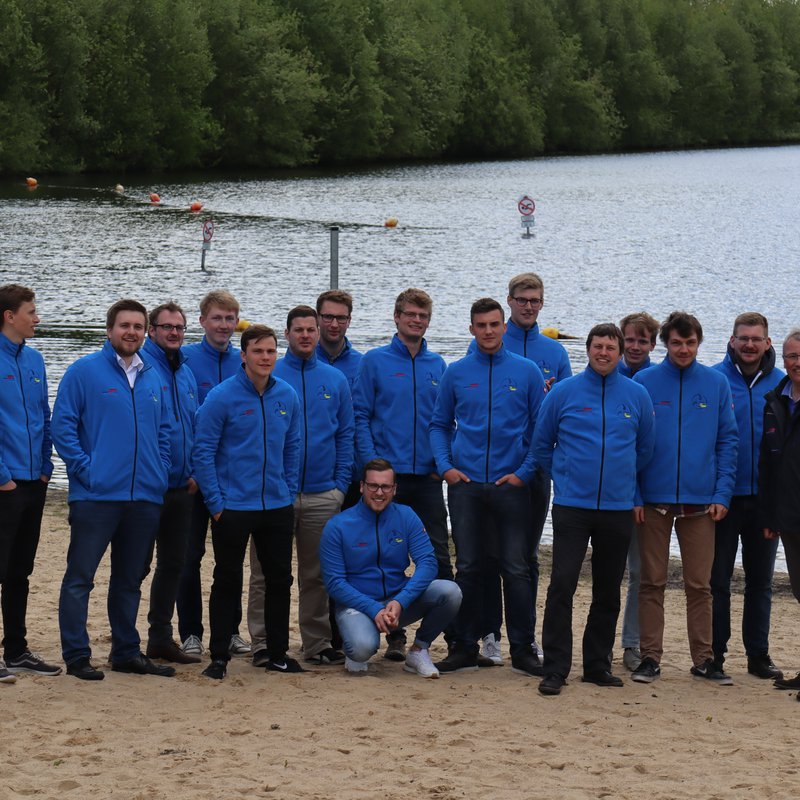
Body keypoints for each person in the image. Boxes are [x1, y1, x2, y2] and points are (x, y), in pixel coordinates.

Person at [52, 299, 174, 680]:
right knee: (80, 578)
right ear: (109, 330)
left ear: (146, 332)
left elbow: (164, 432)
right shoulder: (83, 371)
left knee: (129, 580)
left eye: (138, 326)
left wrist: (160, 470)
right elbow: (63, 427)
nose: (131, 332)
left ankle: (126, 652)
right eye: (125, 325)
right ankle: (76, 655)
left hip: (144, 498)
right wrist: (87, 471)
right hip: (96, 497)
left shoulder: (153, 374)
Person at [534, 324, 655, 696]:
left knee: (607, 590)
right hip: (573, 506)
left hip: (617, 508)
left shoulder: (637, 395)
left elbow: (645, 450)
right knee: (562, 586)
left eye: (610, 347)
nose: (604, 353)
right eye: (598, 346)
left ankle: (597, 665)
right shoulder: (564, 393)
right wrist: (565, 479)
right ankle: (555, 667)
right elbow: (541, 445)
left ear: (620, 353)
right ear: (587, 350)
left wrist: (624, 486)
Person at [430, 297, 546, 675]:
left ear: (504, 326)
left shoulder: (527, 372)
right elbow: (439, 424)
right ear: (472, 329)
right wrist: (446, 466)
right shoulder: (457, 372)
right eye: (481, 325)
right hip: (465, 485)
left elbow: (540, 431)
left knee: (515, 568)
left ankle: (523, 648)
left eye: (495, 324)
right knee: (469, 567)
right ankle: (464, 645)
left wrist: (524, 472)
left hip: (511, 485)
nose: (489, 331)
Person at [631, 311, 738, 685]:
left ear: (699, 343)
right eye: (676, 342)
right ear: (666, 343)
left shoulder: (716, 383)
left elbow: (728, 441)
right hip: (653, 502)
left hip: (701, 503)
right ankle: (649, 658)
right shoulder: (644, 382)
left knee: (699, 585)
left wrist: (722, 493)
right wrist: (635, 494)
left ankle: (705, 660)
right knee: (652, 582)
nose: (683, 349)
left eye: (690, 343)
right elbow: (632, 443)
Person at [193, 324, 302, 680]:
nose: (266, 357)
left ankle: (277, 653)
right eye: (258, 351)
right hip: (233, 507)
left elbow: (293, 448)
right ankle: (219, 655)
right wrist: (216, 502)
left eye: (271, 351)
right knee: (227, 580)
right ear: (243, 356)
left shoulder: (286, 395)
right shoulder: (222, 397)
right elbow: (203, 451)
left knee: (279, 581)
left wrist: (287, 490)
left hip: (276, 506)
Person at [247, 307, 353, 667]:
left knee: (317, 574)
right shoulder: (270, 374)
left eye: (311, 329)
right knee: (265, 573)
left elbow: (345, 435)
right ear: (287, 334)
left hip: (323, 493)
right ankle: (261, 642)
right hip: (274, 495)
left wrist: (340, 485)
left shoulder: (335, 379)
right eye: (299, 330)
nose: (306, 335)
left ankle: (317, 643)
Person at [478, 273, 572, 666]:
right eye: (522, 300)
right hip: (494, 468)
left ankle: (525, 635)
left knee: (526, 558)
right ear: (510, 302)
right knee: (488, 554)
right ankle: (489, 634)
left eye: (535, 300)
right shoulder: (491, 339)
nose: (529, 306)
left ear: (542, 303)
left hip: (536, 470)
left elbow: (568, 410)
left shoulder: (555, 353)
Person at [353, 288, 451, 662]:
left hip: (426, 478)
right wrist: (372, 466)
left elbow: (444, 422)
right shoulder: (374, 362)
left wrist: (442, 463)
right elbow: (360, 416)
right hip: (385, 480)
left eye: (422, 316)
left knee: (438, 558)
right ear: (396, 317)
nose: (416, 320)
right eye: (409, 314)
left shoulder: (438, 366)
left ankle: (433, 641)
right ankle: (393, 634)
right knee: (383, 558)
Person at [319, 458, 461, 677]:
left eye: (385, 486)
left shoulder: (406, 516)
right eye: (373, 486)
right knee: (361, 649)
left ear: (394, 489)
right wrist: (372, 608)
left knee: (450, 592)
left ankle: (418, 650)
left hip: (396, 602)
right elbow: (334, 583)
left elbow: (428, 562)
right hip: (357, 605)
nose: (379, 492)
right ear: (361, 486)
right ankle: (354, 645)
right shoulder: (338, 525)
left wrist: (400, 601)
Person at [711, 312, 784, 680]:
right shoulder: (713, 379)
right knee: (717, 581)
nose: (750, 345)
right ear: (732, 341)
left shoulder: (783, 384)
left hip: (765, 501)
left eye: (757, 339)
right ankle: (715, 654)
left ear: (768, 343)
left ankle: (758, 655)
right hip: (723, 498)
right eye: (744, 338)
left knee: (761, 582)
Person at [177, 290, 250, 658]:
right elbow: (179, 422)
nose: (224, 325)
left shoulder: (246, 361)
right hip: (193, 482)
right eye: (218, 318)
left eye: (230, 318)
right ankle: (190, 632)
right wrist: (190, 470)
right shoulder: (185, 360)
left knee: (230, 561)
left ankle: (231, 630)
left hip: (231, 482)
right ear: (203, 320)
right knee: (188, 558)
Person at [0, 284, 60, 684]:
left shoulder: (35, 360)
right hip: (4, 484)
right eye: (32, 311)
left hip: (34, 482)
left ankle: (17, 649)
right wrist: (3, 478)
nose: (37, 318)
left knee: (20, 570)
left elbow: (44, 415)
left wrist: (44, 468)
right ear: (9, 315)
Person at [140, 303, 201, 664]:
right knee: (137, 566)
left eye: (179, 327)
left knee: (173, 565)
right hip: (149, 488)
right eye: (167, 327)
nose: (174, 333)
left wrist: (195, 472)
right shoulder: (143, 368)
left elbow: (193, 427)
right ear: (152, 330)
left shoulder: (185, 372)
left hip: (182, 488)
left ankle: (160, 636)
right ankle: (124, 639)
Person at [616, 311, 660, 672]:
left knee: (640, 573)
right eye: (629, 339)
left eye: (642, 341)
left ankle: (631, 644)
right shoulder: (603, 372)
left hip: (642, 497)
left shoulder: (655, 383)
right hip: (601, 495)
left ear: (652, 344)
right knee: (604, 573)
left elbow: (648, 448)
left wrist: (638, 495)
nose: (634, 347)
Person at [758, 329, 800, 697]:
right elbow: (769, 466)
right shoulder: (776, 400)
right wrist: (770, 517)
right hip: (788, 516)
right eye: (792, 356)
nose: (797, 362)